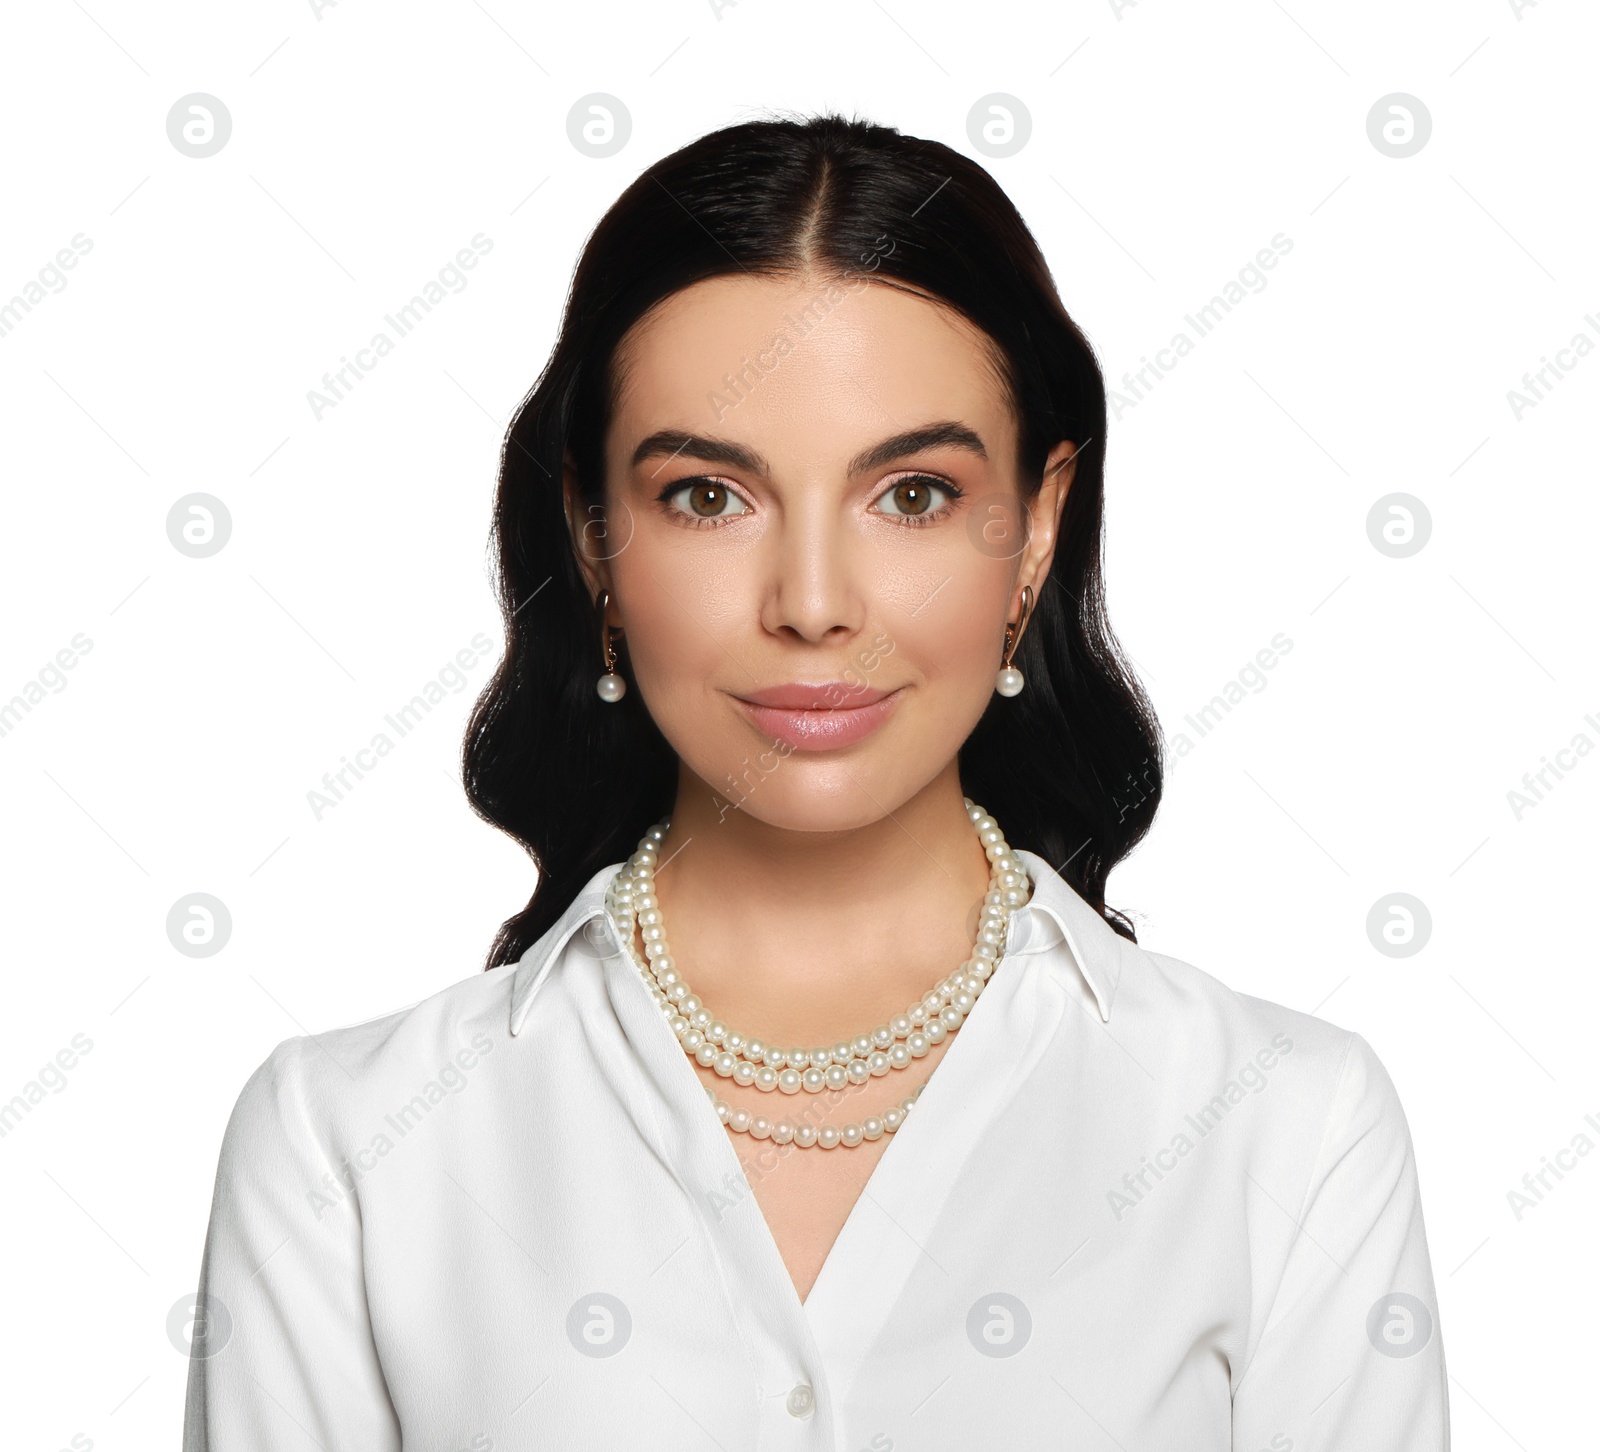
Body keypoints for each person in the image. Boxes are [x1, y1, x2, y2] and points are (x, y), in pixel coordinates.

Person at [183, 113, 1450, 1449]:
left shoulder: (1285, 1131)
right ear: (594, 535)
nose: (811, 604)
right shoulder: (348, 1149)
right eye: (706, 498)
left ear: (1035, 531)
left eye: (909, 495)